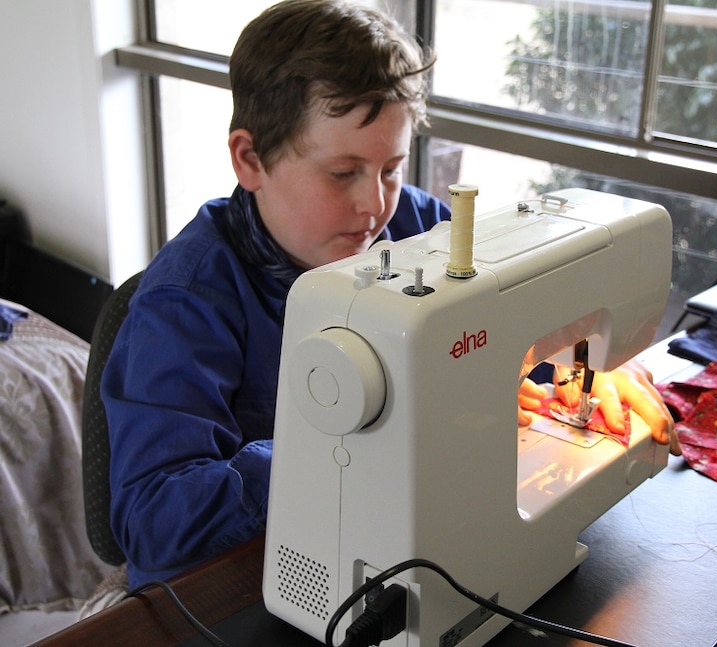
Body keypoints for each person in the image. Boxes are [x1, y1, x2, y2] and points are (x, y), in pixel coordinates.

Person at [103, 0, 677, 591]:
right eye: (343, 173)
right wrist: (348, 440)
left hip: (382, 541)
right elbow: (152, 521)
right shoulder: (186, 304)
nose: (374, 205)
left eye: (391, 168)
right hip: (228, 589)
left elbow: (495, 334)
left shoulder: (414, 229)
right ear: (251, 159)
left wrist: (567, 365)